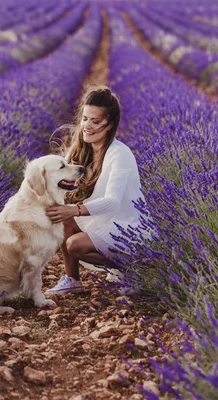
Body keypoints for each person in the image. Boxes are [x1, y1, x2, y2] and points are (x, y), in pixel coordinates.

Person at [44, 85, 143, 296]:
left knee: (74, 245)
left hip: (128, 227)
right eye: (85, 119)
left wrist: (75, 210)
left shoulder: (120, 154)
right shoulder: (83, 151)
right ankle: (72, 280)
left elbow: (112, 202)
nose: (87, 126)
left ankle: (131, 268)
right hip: (102, 222)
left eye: (96, 121)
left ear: (110, 125)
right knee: (62, 217)